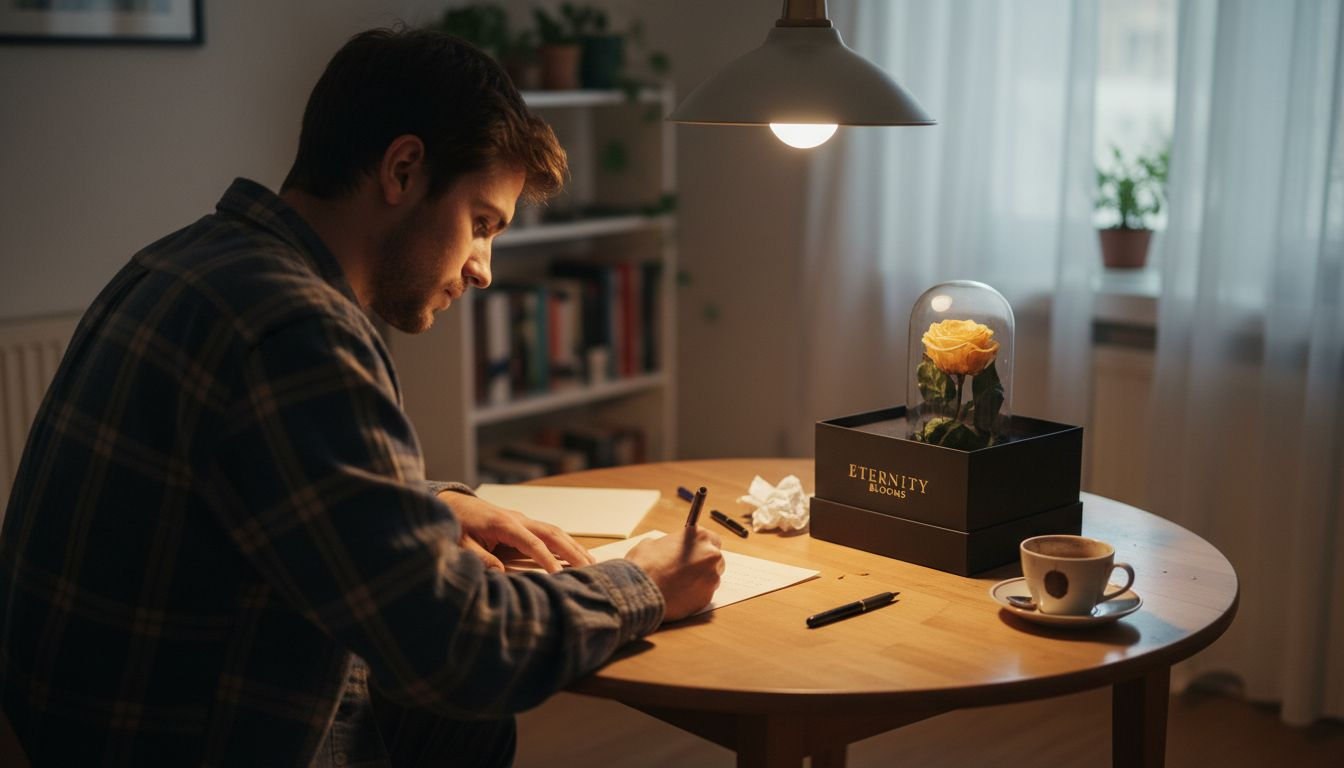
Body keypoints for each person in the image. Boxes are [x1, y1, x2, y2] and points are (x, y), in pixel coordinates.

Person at [0, 27, 723, 767]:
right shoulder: (298, 329)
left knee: (465, 731)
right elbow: (459, 647)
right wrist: (643, 585)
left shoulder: (183, 261)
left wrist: (429, 505)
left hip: (71, 721)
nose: (484, 270)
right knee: (462, 705)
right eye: (480, 224)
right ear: (403, 170)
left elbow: (253, 483)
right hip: (181, 740)